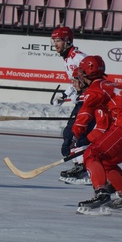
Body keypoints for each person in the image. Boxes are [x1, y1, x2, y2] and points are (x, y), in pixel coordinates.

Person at [71, 55, 122, 215]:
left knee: (92, 154)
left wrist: (76, 134)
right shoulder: (112, 85)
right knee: (106, 162)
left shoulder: (95, 89)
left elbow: (86, 111)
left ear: (86, 73)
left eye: (81, 73)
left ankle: (101, 194)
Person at [50, 27, 93, 185]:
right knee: (73, 135)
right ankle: (82, 167)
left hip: (87, 102)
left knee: (73, 134)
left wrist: (85, 96)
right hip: (81, 101)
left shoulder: (78, 57)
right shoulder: (68, 58)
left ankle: (84, 169)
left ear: (68, 41)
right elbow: (75, 81)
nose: (55, 44)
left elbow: (92, 75)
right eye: (53, 41)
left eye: (58, 40)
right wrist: (65, 95)